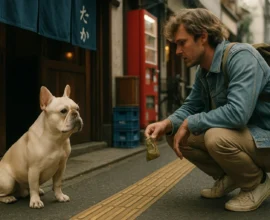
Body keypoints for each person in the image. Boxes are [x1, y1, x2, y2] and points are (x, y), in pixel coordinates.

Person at [145, 8, 270, 212]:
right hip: (249, 140)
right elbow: (192, 105)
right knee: (175, 132)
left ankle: (256, 183)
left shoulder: (242, 57)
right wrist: (166, 123)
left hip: (266, 138)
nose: (177, 51)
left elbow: (238, 114)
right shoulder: (204, 70)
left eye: (182, 43)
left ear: (202, 37)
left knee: (215, 136)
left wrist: (191, 122)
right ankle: (230, 176)